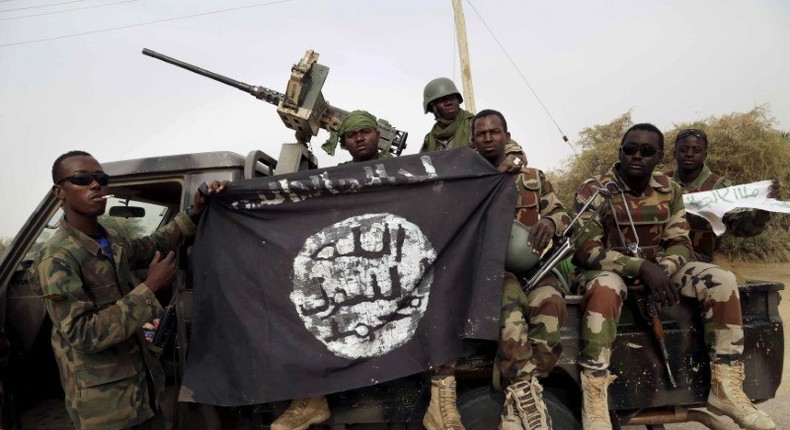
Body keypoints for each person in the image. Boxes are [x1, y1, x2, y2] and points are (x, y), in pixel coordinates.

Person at [571, 124, 775, 430]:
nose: (637, 156)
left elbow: (680, 242)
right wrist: (641, 268)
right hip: (610, 271)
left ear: (660, 156)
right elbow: (587, 250)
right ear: (620, 152)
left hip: (661, 271)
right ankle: (596, 396)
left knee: (721, 279)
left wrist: (662, 271)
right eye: (630, 149)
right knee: (604, 287)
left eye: (647, 151)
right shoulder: (596, 189)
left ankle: (726, 386)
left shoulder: (670, 189)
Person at [35, 150, 225, 429]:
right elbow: (83, 334)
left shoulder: (112, 240)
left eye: (101, 178)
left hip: (143, 391)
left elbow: (155, 244)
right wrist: (150, 288)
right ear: (59, 192)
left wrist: (195, 211)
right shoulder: (57, 258)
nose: (96, 185)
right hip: (106, 408)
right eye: (82, 179)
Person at [269, 110, 385, 430]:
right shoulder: (338, 177)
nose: (359, 138)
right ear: (344, 143)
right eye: (351, 135)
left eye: (365, 131)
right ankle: (312, 398)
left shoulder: (403, 168)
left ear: (377, 134)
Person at [472, 109, 571, 430]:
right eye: (481, 133)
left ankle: (523, 388)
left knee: (552, 303)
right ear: (473, 140)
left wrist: (549, 221)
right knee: (508, 296)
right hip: (492, 274)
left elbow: (562, 214)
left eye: (494, 132)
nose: (488, 137)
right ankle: (525, 392)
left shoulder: (532, 178)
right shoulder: (468, 182)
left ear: (506, 135)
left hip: (536, 268)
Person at [668, 128, 780, 262]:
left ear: (705, 155)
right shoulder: (661, 183)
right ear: (675, 153)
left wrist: (762, 211)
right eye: (683, 150)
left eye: (696, 150)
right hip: (662, 259)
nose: (689, 154)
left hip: (702, 263)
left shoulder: (719, 188)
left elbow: (741, 228)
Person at [421, 77, 526, 172]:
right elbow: (419, 165)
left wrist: (514, 161)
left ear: (458, 100)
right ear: (432, 107)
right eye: (442, 100)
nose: (448, 102)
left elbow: (515, 152)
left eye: (451, 98)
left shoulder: (477, 126)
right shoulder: (430, 139)